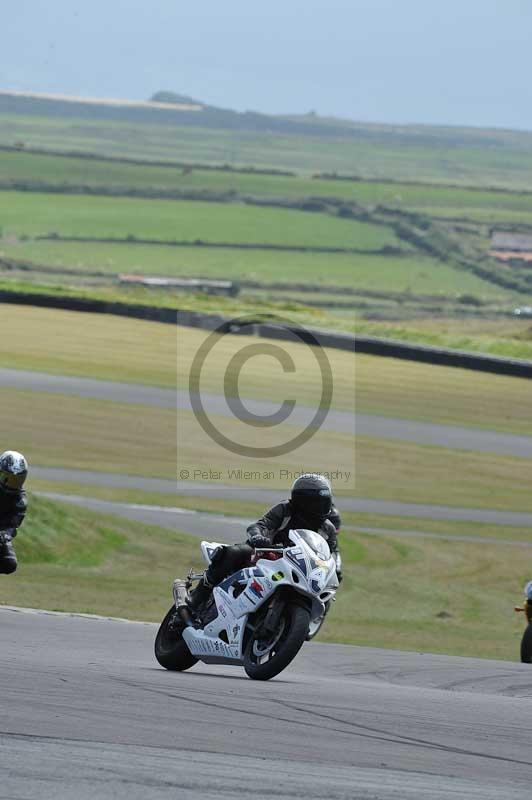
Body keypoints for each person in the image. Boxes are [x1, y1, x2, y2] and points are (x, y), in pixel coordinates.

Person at [188, 473, 342, 611]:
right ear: (302, 501)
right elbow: (260, 525)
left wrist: (335, 569)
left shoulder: (327, 528)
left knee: (324, 595)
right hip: (268, 555)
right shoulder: (285, 509)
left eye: (325, 502)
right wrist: (257, 537)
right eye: (316, 503)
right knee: (233, 552)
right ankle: (198, 596)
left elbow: (332, 552)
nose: (321, 507)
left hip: (301, 568)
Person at [0, 451, 28, 575]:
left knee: (10, 563)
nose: (11, 484)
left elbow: (13, 526)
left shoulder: (20, 501)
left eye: (16, 480)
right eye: (8, 479)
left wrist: (4, 535)